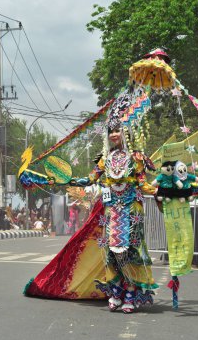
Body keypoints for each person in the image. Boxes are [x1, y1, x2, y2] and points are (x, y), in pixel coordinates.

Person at [24, 107, 159, 313]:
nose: (114, 134)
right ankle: (115, 292)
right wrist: (60, 180)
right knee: (110, 253)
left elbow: (143, 184)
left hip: (131, 210)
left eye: (118, 130)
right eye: (111, 131)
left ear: (126, 133)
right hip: (111, 211)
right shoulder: (105, 160)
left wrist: (163, 189)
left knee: (131, 252)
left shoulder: (137, 158)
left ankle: (130, 293)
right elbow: (88, 180)